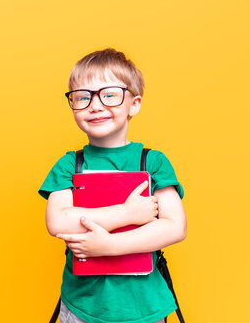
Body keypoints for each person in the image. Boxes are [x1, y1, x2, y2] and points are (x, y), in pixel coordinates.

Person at [39, 48, 187, 323]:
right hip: (84, 306)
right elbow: (58, 222)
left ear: (134, 104)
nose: (95, 105)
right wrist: (127, 214)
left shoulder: (152, 162)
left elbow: (175, 227)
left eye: (109, 94)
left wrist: (108, 245)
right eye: (82, 97)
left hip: (145, 307)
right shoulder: (69, 165)